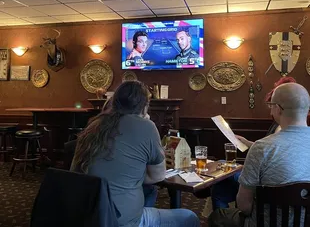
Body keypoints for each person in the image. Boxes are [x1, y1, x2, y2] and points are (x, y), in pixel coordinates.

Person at [71, 81, 200, 227]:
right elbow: (157, 175)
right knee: (189, 217)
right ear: (145, 105)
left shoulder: (94, 124)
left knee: (150, 190)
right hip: (117, 220)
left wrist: (126, 173)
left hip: (83, 214)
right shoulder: (146, 126)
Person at [208, 83, 310, 227]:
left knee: (218, 216)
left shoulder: (262, 148)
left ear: (278, 109)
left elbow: (244, 206)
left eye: (271, 105)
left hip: (265, 223)